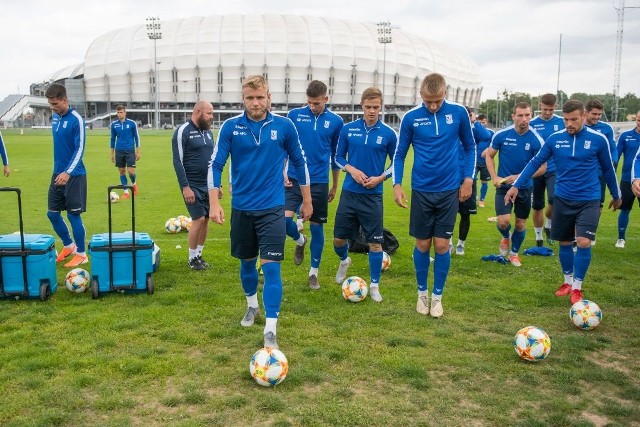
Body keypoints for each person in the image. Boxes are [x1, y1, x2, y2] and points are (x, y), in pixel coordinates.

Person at [209, 75, 312, 350]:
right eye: (250, 98)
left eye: (260, 97)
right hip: (242, 209)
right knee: (246, 264)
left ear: (269, 97)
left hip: (272, 209)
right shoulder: (231, 127)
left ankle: (271, 328)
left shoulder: (284, 126)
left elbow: (300, 162)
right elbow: (216, 163)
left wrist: (307, 201)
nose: (255, 102)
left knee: (272, 268)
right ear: (243, 99)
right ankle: (252, 306)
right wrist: (215, 201)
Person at [505, 99, 621, 305]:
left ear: (583, 116)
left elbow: (608, 169)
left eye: (574, 119)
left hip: (589, 199)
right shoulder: (554, 139)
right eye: (566, 119)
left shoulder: (598, 140)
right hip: (563, 198)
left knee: (584, 241)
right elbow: (535, 163)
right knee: (565, 242)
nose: (569, 124)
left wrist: (616, 194)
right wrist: (516, 185)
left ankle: (577, 287)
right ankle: (567, 281)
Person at [393, 73, 476, 318]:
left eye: (437, 101)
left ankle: (438, 297)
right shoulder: (411, 118)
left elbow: (471, 147)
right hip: (421, 190)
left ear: (445, 93)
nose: (433, 106)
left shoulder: (459, 113)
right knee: (422, 244)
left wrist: (468, 179)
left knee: (441, 245)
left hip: (449, 190)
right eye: (428, 101)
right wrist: (397, 184)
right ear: (421, 95)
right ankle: (422, 294)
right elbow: (400, 154)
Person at [332, 87, 397, 303]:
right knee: (339, 239)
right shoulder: (348, 129)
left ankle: (375, 285)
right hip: (349, 193)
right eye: (368, 107)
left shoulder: (388, 133)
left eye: (376, 107)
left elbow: (396, 163)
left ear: (381, 107)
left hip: (373, 196)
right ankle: (344, 261)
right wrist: (351, 169)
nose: (372, 111)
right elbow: (338, 157)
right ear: (361, 105)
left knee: (375, 244)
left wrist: (380, 178)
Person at [286, 80, 344, 289]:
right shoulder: (294, 116)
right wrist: (283, 173)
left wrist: (334, 185)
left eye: (317, 103)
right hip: (293, 177)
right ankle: (301, 241)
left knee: (317, 228)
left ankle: (313, 273)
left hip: (319, 180)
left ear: (326, 99)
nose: (312, 106)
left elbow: (336, 157)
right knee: (283, 223)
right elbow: (285, 147)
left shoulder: (336, 122)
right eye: (309, 102)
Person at [485, 102, 546, 267]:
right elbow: (489, 156)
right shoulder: (501, 135)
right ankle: (506, 237)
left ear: (531, 116)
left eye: (527, 115)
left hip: (524, 188)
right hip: (504, 187)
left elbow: (543, 167)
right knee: (503, 221)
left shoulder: (537, 139)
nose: (524, 119)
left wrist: (519, 177)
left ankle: (514, 254)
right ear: (513, 116)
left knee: (520, 223)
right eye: (520, 115)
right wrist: (494, 176)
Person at [44, 83, 89, 268]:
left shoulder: (76, 119)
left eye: (55, 104)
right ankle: (69, 245)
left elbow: (80, 148)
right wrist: (60, 171)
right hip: (57, 173)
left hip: (75, 175)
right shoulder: (55, 118)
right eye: (50, 104)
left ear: (65, 100)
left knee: (73, 216)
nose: (52, 108)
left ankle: (81, 253)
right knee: (52, 213)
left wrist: (68, 172)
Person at [172, 101, 216, 270]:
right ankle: (191, 259)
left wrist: (215, 186)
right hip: (192, 185)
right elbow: (177, 161)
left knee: (205, 220)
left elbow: (212, 161)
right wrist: (185, 187)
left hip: (208, 185)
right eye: (209, 113)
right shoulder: (183, 131)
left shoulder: (208, 133)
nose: (212, 117)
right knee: (197, 219)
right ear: (198, 112)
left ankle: (198, 255)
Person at [529, 94, 565, 246]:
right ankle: (538, 237)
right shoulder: (531, 123)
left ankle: (549, 225)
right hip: (536, 170)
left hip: (553, 169)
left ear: (555, 107)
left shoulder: (561, 122)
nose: (548, 112)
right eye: (545, 109)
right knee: (537, 205)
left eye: (551, 109)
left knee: (554, 199)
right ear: (540, 107)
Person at [585, 99, 618, 247]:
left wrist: (614, 162)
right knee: (576, 203)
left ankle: (590, 232)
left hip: (599, 174)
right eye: (594, 114)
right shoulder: (579, 126)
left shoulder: (606, 128)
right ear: (586, 112)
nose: (597, 117)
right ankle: (575, 234)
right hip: (581, 173)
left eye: (599, 114)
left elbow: (613, 148)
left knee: (597, 205)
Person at [614, 111, 640, 248]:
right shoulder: (626, 136)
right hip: (626, 179)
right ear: (636, 119)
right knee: (625, 209)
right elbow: (616, 155)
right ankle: (621, 238)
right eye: (639, 120)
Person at [110, 105, 141, 198]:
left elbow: (137, 137)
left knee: (131, 171)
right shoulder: (114, 124)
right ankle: (126, 192)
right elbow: (112, 139)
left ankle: (134, 184)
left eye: (121, 112)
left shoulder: (132, 123)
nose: (119, 114)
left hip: (130, 150)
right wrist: (112, 154)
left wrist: (138, 151)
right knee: (122, 171)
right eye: (118, 112)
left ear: (125, 112)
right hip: (119, 150)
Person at [475, 114, 494, 208]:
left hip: (486, 162)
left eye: (484, 122)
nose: (482, 124)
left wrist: (488, 151)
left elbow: (494, 146)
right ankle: (474, 196)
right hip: (474, 161)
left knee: (484, 182)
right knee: (471, 180)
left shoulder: (491, 133)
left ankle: (481, 200)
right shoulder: (474, 131)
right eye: (480, 123)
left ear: (486, 122)